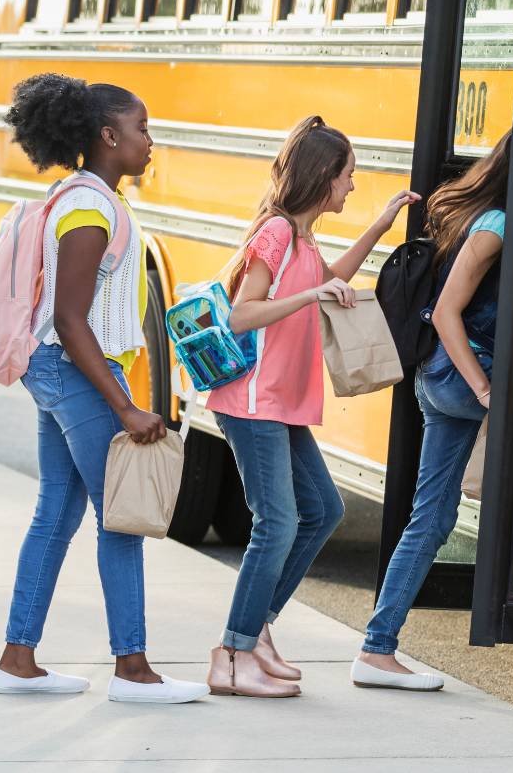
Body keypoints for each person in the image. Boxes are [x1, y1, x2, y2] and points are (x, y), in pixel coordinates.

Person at [352, 132, 513, 691]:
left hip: (443, 379)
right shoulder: (497, 226)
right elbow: (446, 312)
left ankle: (377, 649)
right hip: (464, 374)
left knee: (433, 517)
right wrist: (486, 390)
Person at [0, 73, 207, 705]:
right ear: (109, 136)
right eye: (142, 129)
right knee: (121, 516)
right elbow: (68, 317)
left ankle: (17, 658)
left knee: (58, 510)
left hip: (62, 368)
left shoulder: (92, 196)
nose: (150, 141)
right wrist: (125, 405)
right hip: (74, 368)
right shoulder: (87, 206)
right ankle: (133, 670)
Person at [204, 115, 418, 697]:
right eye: (348, 176)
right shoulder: (274, 233)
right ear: (322, 177)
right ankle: (233, 654)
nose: (352, 186)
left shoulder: (303, 237)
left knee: (322, 510)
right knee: (276, 524)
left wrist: (380, 225)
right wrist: (309, 293)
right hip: (252, 401)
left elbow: (330, 280)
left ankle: (256, 628)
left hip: (282, 403)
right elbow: (243, 312)